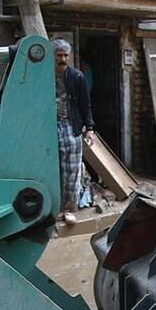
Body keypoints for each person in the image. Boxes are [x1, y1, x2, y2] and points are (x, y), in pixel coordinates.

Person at [53, 39, 93, 226]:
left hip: (71, 125)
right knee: (53, 170)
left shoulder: (76, 77)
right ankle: (52, 210)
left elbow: (85, 104)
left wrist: (89, 128)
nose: (62, 59)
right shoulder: (43, 76)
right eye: (59, 55)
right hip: (49, 127)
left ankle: (68, 209)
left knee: (72, 170)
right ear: (53, 56)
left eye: (65, 55)